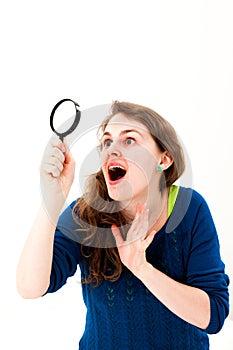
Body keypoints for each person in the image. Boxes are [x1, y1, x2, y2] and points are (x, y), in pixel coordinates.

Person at [16, 101, 229, 349]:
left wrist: (141, 268)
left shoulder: (191, 208)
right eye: (107, 142)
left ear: (165, 159)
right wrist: (51, 201)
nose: (111, 150)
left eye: (129, 140)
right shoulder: (84, 214)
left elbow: (213, 316)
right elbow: (29, 287)